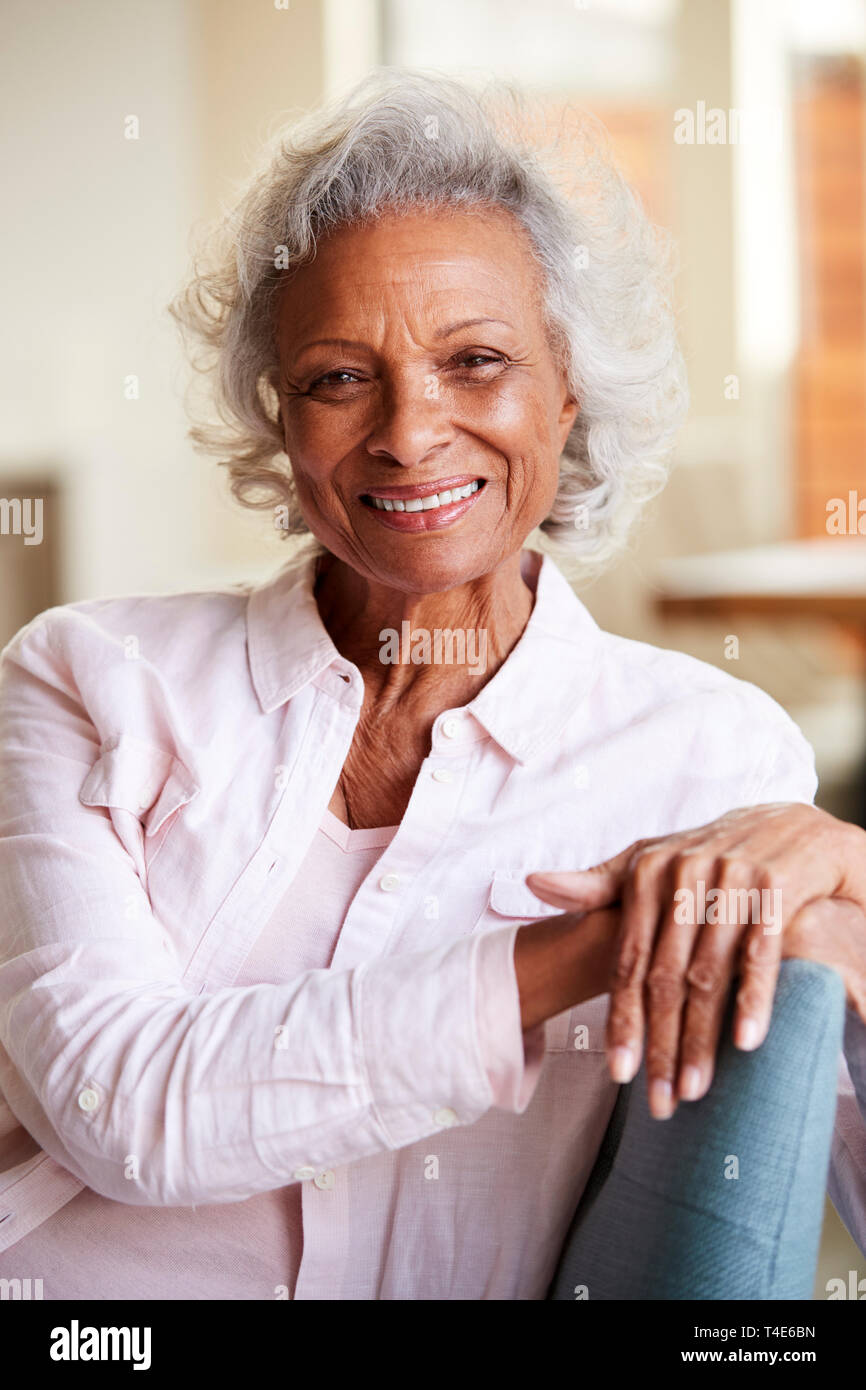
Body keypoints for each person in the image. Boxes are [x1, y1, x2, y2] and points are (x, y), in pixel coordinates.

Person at [0, 68, 863, 1301]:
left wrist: (846, 889)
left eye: (474, 360)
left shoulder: (710, 757)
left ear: (565, 393)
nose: (408, 431)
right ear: (280, 415)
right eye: (339, 377)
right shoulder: (88, 673)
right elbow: (118, 1103)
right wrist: (599, 941)